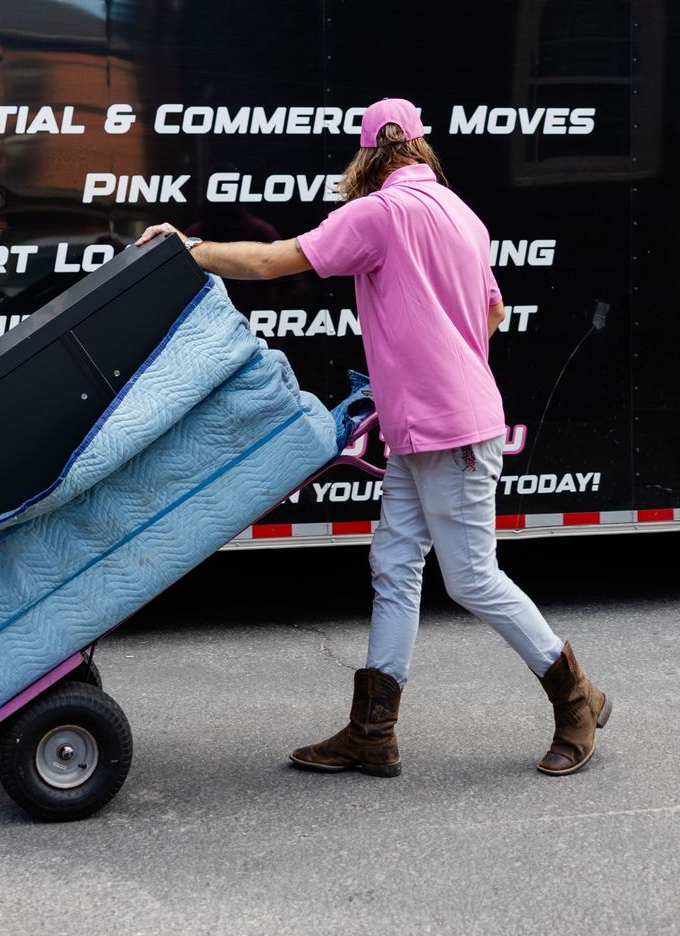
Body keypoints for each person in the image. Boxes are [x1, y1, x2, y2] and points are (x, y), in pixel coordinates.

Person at [135, 97, 610, 778]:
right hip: (431, 425)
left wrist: (190, 248)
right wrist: (441, 354)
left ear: (370, 157)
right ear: (418, 148)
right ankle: (371, 732)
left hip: (444, 428)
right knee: (394, 564)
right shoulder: (461, 214)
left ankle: (577, 697)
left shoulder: (382, 213)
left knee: (472, 577)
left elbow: (274, 262)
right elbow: (495, 310)